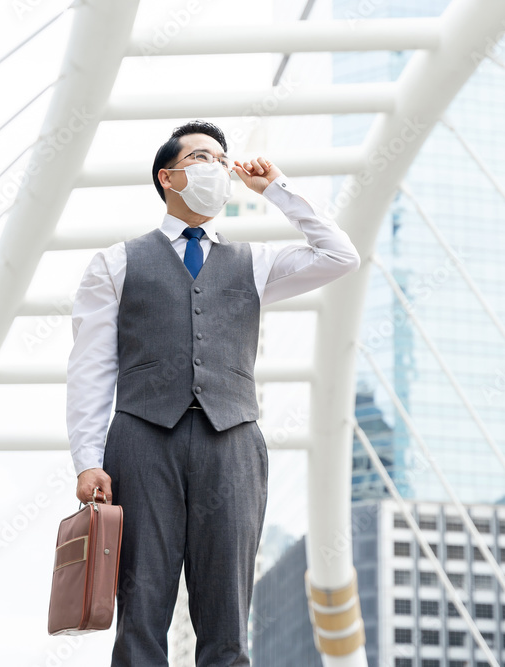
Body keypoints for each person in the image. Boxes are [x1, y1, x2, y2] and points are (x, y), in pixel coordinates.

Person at [65, 119, 360, 666]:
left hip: (234, 444)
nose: (219, 168)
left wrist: (276, 190)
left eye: (223, 160)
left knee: (228, 623)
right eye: (203, 158)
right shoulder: (116, 263)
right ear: (169, 177)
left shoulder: (255, 263)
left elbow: (340, 256)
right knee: (141, 613)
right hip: (141, 441)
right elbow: (90, 368)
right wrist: (87, 459)